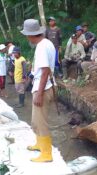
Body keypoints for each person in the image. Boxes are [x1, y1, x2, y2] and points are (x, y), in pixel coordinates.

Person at [21, 19, 56, 162]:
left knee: (41, 122)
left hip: (44, 87)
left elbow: (45, 71)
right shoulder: (47, 43)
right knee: (36, 120)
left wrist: (39, 93)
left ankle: (47, 154)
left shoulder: (41, 47)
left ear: (30, 35)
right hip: (45, 85)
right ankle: (40, 144)